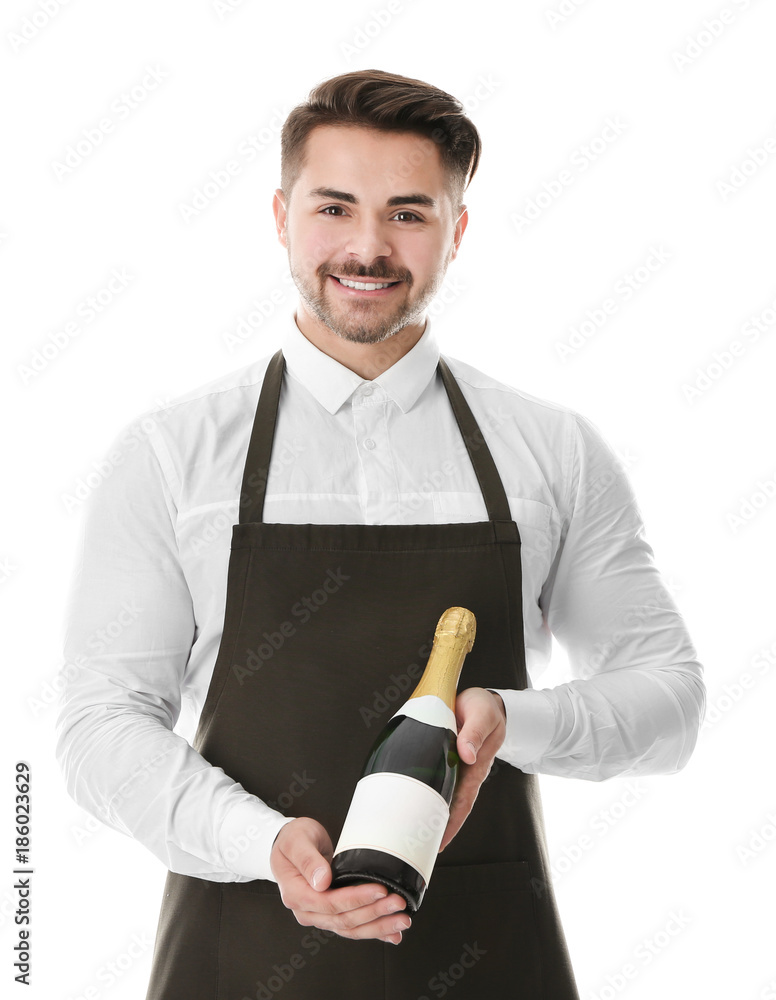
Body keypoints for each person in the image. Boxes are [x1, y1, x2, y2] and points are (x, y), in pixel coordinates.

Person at [55, 68, 705, 1000]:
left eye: (408, 213)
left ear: (457, 231)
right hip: (240, 952)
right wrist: (263, 843)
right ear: (281, 216)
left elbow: (670, 704)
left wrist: (512, 719)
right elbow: (99, 725)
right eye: (334, 208)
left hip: (489, 955)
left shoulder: (551, 451)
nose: (367, 247)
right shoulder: (170, 456)